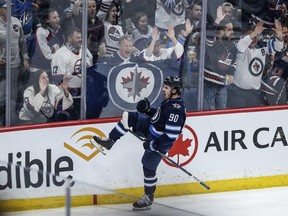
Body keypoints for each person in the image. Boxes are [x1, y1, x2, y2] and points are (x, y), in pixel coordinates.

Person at [91, 76, 186, 210]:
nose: (163, 90)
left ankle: (148, 197)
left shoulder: (176, 109)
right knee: (129, 117)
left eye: (166, 88)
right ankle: (110, 141)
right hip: (150, 128)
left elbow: (170, 136)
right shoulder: (169, 102)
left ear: (175, 90)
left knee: (148, 167)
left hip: (159, 142)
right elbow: (160, 116)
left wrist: (154, 144)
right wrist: (148, 110)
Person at [227, 20, 284, 108]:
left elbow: (278, 47)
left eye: (257, 36)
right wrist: (254, 33)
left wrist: (280, 36)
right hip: (238, 93)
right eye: (252, 36)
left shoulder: (262, 48)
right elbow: (241, 46)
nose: (254, 39)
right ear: (245, 36)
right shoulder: (241, 48)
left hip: (254, 94)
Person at [51, 26, 93, 120]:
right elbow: (58, 80)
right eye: (77, 38)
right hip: (66, 100)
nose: (80, 40)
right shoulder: (61, 54)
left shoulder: (85, 51)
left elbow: (91, 72)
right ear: (69, 39)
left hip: (83, 98)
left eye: (81, 37)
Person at [0, 0, 30, 126]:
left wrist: (25, 58)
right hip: (1, 67)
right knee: (1, 97)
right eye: (7, 7)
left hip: (15, 66)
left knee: (13, 96)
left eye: (11, 7)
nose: (10, 9)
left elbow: (22, 42)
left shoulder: (16, 22)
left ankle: (10, 122)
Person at [203, 11, 237, 110]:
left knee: (222, 111)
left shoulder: (232, 47)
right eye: (229, 30)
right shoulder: (214, 43)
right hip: (210, 83)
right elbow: (209, 35)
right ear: (221, 31)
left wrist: (231, 74)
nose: (232, 32)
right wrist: (218, 20)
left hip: (222, 84)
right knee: (210, 110)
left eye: (232, 30)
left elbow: (234, 63)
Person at [29, 7, 65, 74]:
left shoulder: (59, 29)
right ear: (47, 20)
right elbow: (46, 56)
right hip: (38, 70)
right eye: (54, 18)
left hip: (52, 67)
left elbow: (62, 47)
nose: (58, 19)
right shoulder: (41, 31)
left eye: (58, 17)